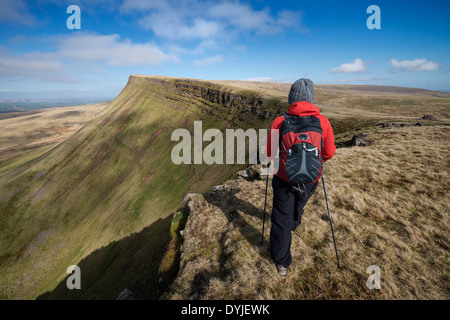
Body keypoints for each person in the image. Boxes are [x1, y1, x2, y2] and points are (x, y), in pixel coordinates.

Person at [266, 78, 336, 276]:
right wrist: (314, 163)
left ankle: (282, 263)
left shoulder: (280, 122)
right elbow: (329, 152)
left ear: (291, 99)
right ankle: (294, 223)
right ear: (311, 99)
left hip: (284, 178)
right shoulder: (323, 122)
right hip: (311, 179)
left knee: (281, 218)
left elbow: (269, 152)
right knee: (299, 205)